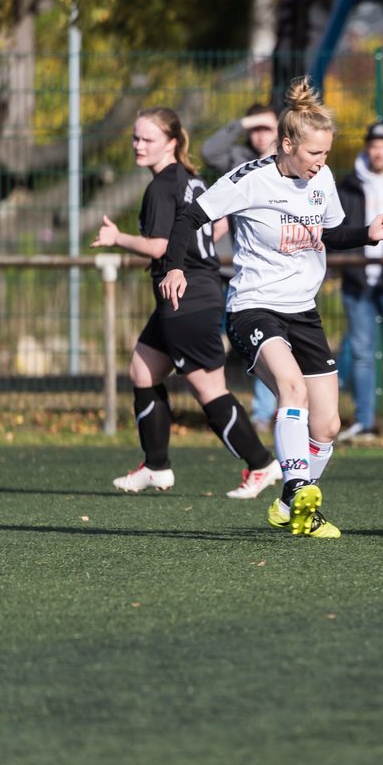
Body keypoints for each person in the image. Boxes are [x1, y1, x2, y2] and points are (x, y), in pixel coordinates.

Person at [160, 77, 383, 539]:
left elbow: (328, 234)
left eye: (327, 153)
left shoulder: (322, 178)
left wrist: (368, 233)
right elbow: (191, 216)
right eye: (314, 154)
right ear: (287, 144)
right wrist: (175, 268)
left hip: (302, 310)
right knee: (292, 389)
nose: (322, 162)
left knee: (328, 424)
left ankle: (294, 503)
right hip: (254, 306)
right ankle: (296, 489)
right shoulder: (251, 179)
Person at [92, 107, 282, 500]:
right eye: (135, 138)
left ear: (172, 143)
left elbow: (161, 245)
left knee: (209, 389)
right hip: (184, 294)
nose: (138, 146)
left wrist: (118, 238)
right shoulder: (191, 180)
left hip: (187, 296)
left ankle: (261, 464)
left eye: (148, 139)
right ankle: (156, 467)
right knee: (143, 369)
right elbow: (214, 225)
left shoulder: (163, 185)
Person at [202, 103, 280, 434]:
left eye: (268, 128)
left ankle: (267, 412)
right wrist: (247, 120)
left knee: (272, 345)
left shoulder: (293, 163)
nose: (261, 135)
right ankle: (221, 405)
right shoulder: (238, 160)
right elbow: (209, 150)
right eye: (257, 129)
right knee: (223, 341)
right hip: (235, 271)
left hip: (274, 271)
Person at [335, 120, 383, 443]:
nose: (378, 152)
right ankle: (364, 421)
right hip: (357, 280)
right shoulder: (348, 184)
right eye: (373, 145)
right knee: (363, 354)